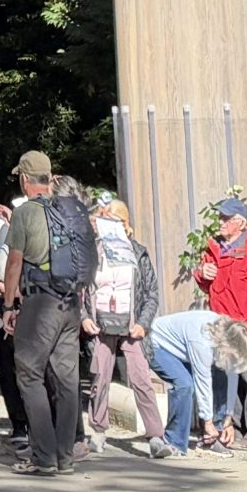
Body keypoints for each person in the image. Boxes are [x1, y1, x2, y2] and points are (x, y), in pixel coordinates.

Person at [0, 150, 87, 476]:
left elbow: (14, 262)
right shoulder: (71, 210)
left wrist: (9, 305)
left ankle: (43, 456)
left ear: (24, 179)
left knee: (30, 374)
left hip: (40, 303)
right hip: (70, 303)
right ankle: (65, 457)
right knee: (66, 379)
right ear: (49, 178)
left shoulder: (26, 213)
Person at [192, 195, 247, 449]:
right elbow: (206, 281)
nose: (220, 221)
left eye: (226, 218)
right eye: (220, 217)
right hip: (221, 326)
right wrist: (201, 274)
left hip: (246, 326)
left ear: (240, 222)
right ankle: (236, 430)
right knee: (229, 378)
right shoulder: (214, 247)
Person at [83, 193, 162, 455]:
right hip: (101, 323)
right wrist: (84, 317)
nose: (106, 222)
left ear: (126, 223)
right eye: (104, 218)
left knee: (141, 378)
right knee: (99, 377)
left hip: (131, 325)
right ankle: (98, 430)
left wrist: (143, 323)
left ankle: (155, 436)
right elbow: (81, 289)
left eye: (113, 218)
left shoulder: (138, 252)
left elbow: (151, 292)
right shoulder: (92, 251)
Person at [144, 310, 247, 457]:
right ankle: (173, 442)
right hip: (156, 343)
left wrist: (228, 418)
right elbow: (202, 381)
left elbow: (232, 375)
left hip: (181, 350)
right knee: (184, 384)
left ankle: (211, 439)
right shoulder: (202, 341)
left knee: (220, 375)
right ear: (227, 347)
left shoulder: (226, 337)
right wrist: (207, 421)